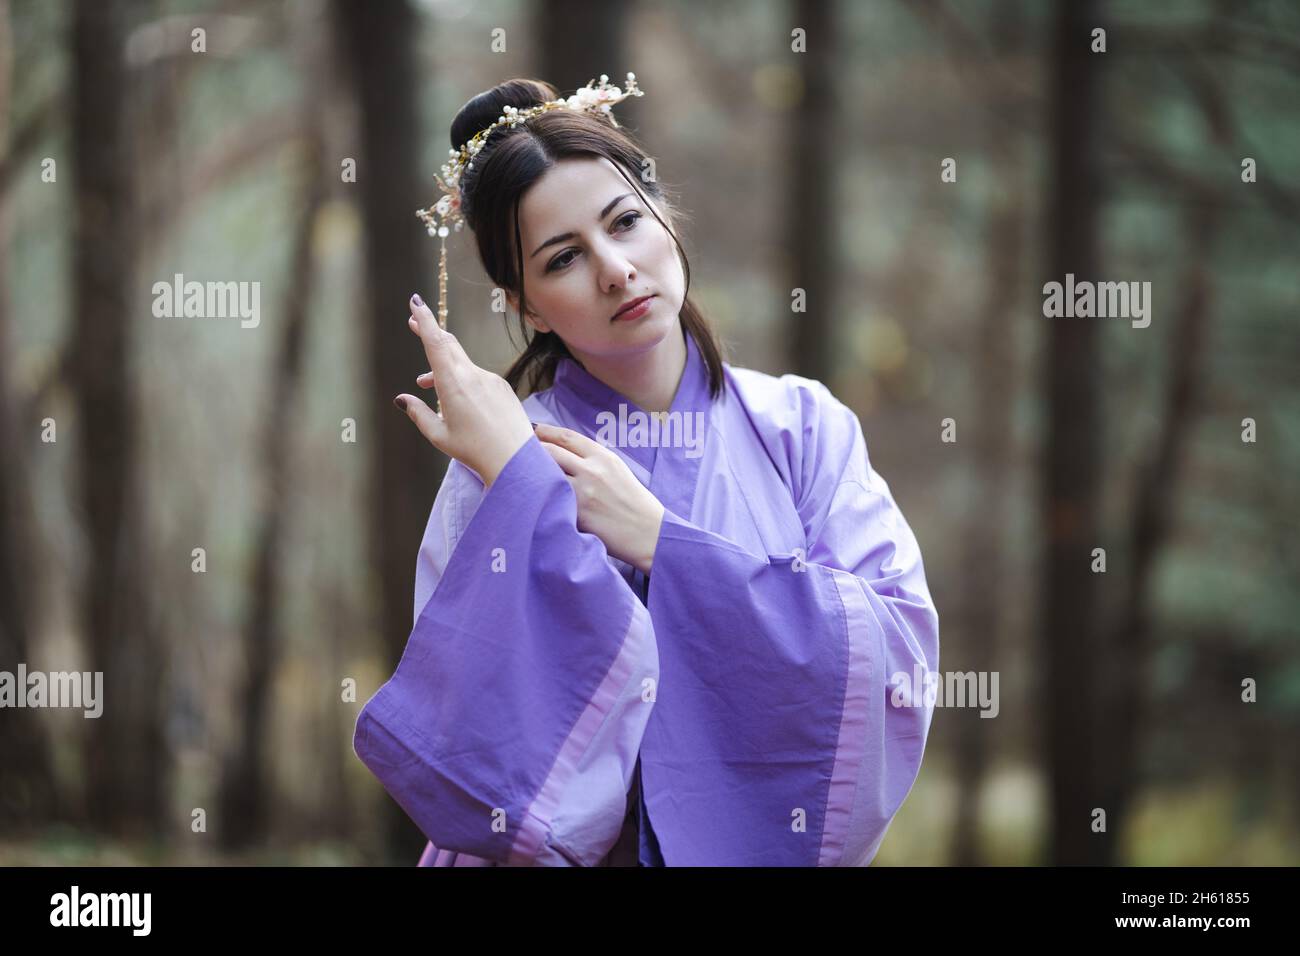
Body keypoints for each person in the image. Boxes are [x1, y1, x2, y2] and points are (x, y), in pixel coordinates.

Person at [354, 73, 940, 866]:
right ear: (524, 305)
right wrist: (525, 486)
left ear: (663, 213)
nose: (615, 269)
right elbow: (484, 749)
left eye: (625, 221)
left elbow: (892, 657)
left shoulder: (803, 429)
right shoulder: (503, 463)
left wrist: (664, 543)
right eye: (563, 258)